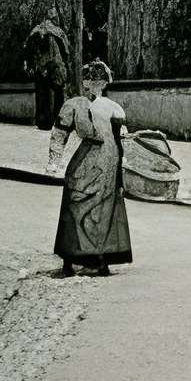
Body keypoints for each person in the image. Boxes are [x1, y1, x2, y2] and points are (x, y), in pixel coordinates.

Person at [51, 59, 133, 277]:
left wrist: (121, 171)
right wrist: (54, 160)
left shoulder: (111, 108)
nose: (94, 84)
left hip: (105, 160)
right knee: (83, 204)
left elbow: (121, 140)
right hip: (94, 159)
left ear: (104, 83)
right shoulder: (76, 105)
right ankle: (82, 259)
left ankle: (91, 258)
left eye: (98, 80)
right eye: (90, 79)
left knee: (97, 207)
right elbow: (60, 133)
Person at [24, 13, 70, 132]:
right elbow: (64, 53)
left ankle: (47, 121)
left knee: (47, 94)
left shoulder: (41, 34)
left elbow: (33, 52)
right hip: (51, 68)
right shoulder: (55, 34)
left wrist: (41, 66)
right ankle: (51, 121)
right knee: (50, 94)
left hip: (50, 68)